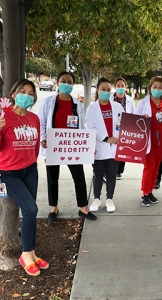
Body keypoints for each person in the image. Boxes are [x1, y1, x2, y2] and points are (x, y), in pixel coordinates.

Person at [0, 79, 49, 276]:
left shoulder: (34, 119)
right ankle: (25, 255)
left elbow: (35, 145)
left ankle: (31, 251)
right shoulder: (4, 117)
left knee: (30, 212)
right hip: (8, 173)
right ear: (13, 94)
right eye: (22, 91)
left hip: (30, 170)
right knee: (31, 208)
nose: (26, 96)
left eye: (30, 93)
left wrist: (33, 161)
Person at [39, 71, 97, 223]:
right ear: (57, 83)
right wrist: (43, 138)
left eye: (70, 82)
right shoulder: (48, 102)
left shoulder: (77, 105)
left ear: (73, 85)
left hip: (72, 146)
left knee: (79, 176)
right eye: (63, 81)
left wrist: (87, 144)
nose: (66, 84)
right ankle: (54, 207)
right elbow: (42, 123)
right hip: (53, 147)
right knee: (53, 178)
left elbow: (82, 127)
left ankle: (83, 208)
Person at [135, 76, 162, 207]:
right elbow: (135, 120)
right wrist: (142, 117)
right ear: (150, 88)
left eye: (160, 87)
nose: (157, 89)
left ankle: (150, 191)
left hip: (161, 141)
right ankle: (144, 193)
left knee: (156, 168)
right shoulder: (143, 103)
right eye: (155, 87)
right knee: (149, 167)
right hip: (148, 141)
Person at [87, 78, 124, 213]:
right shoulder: (92, 108)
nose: (106, 92)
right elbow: (90, 127)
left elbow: (123, 124)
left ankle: (109, 199)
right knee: (97, 174)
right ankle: (96, 198)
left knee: (112, 174)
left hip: (114, 147)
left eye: (108, 90)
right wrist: (106, 139)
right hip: (99, 147)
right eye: (103, 89)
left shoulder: (117, 107)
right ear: (97, 90)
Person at [110, 77, 135, 180]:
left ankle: (119, 171)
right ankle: (111, 169)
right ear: (115, 87)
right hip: (112, 126)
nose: (120, 87)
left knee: (123, 149)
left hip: (125, 126)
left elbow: (133, 113)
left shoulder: (129, 100)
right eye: (118, 85)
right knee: (112, 148)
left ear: (126, 88)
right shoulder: (110, 98)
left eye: (122, 86)